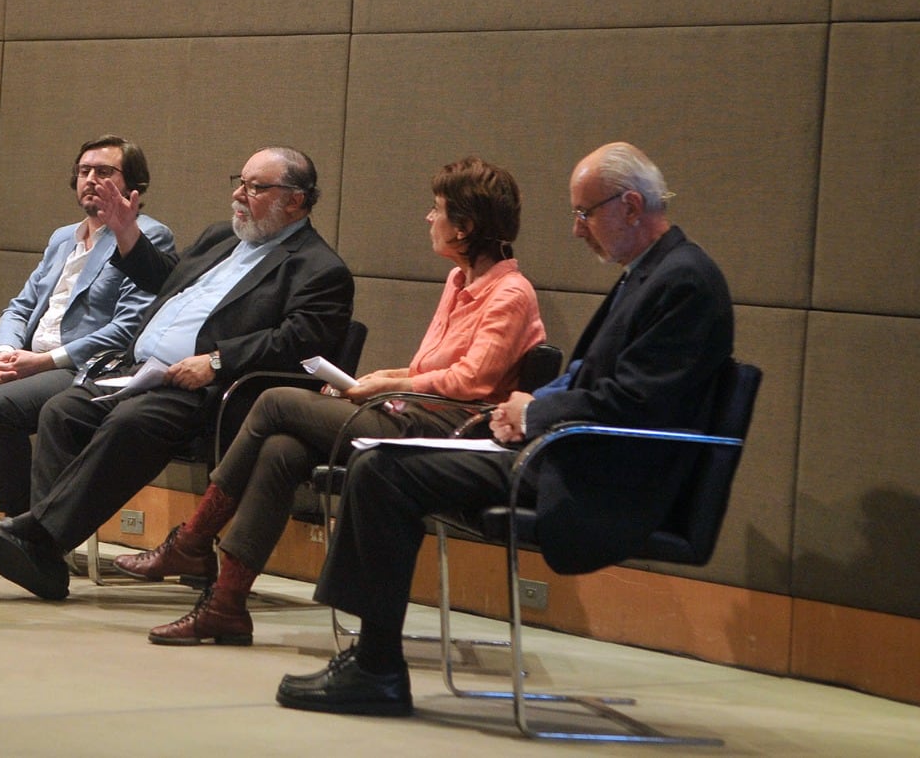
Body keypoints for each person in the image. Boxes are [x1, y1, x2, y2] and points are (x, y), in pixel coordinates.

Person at [276, 142, 733, 718]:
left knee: (383, 469)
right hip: (566, 451)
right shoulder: (651, 273)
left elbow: (638, 402)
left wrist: (534, 414)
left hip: (603, 477)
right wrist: (529, 403)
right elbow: (588, 379)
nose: (576, 231)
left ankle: (377, 668)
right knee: (379, 461)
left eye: (584, 213)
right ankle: (373, 659)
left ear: (632, 206)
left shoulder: (683, 281)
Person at [118, 156, 545, 646]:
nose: (429, 218)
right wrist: (372, 379)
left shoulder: (511, 293)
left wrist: (380, 387)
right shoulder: (458, 281)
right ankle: (225, 605)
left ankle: (193, 540)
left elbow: (470, 383)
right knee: (283, 448)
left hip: (452, 433)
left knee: (278, 402)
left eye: (438, 210)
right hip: (412, 415)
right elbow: (430, 367)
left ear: (465, 227)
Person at [0, 146, 355, 601]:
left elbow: (301, 340)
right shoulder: (222, 238)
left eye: (255, 187)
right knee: (65, 410)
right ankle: (48, 553)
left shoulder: (320, 268)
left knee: (131, 422)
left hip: (212, 390)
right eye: (239, 181)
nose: (239, 194)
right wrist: (125, 232)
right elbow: (165, 279)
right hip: (140, 370)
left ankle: (38, 537)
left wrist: (217, 360)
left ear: (295, 200)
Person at [0, 135, 175, 519]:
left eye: (104, 171)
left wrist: (44, 361)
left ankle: (18, 520)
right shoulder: (63, 237)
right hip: (26, 359)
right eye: (84, 171)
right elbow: (20, 306)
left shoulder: (146, 236)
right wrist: (5, 351)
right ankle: (24, 506)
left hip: (80, 367)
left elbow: (128, 328)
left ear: (133, 184)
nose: (91, 178)